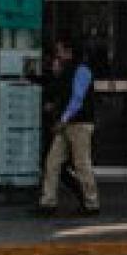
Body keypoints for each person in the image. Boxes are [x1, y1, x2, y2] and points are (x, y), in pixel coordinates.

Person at [35, 37, 101, 217]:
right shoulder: (67, 71)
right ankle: (48, 202)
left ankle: (91, 202)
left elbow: (77, 99)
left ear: (70, 52)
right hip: (67, 123)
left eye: (61, 51)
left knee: (81, 163)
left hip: (79, 124)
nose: (58, 54)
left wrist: (63, 119)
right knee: (52, 162)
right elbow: (61, 92)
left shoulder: (82, 70)